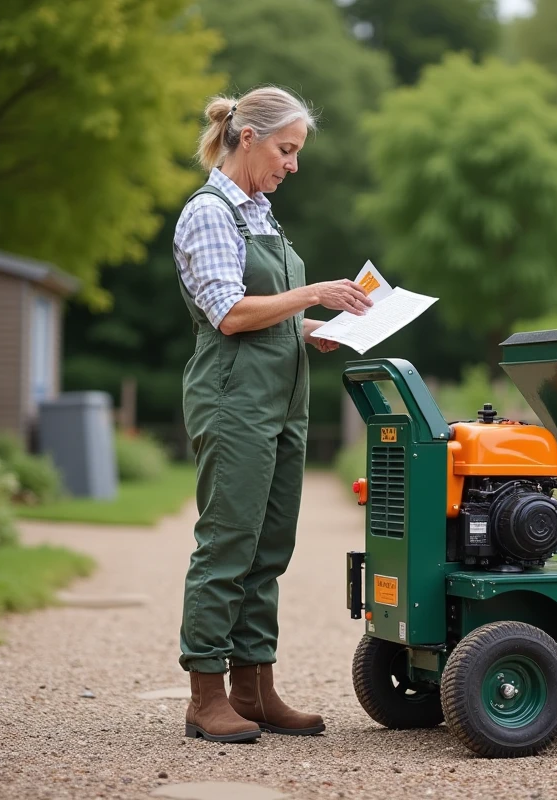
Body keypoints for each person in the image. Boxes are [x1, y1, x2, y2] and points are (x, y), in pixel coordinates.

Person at [171, 85, 372, 744]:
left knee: (270, 548)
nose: (293, 165)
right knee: (228, 543)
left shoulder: (259, 213)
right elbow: (230, 314)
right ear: (248, 138)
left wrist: (312, 327)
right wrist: (311, 292)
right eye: (287, 150)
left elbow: (265, 312)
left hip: (282, 402)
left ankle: (255, 689)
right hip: (234, 402)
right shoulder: (209, 212)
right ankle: (206, 693)